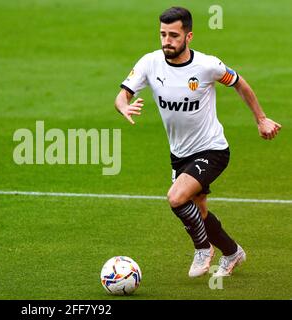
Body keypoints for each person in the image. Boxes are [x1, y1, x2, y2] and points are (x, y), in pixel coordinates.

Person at [114, 7, 281, 277]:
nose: (167, 41)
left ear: (188, 36)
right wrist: (123, 107)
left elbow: (239, 83)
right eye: (162, 34)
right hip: (179, 154)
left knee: (176, 198)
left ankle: (203, 249)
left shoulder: (206, 66)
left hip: (212, 149)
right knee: (199, 212)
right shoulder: (149, 63)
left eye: (174, 35)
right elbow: (122, 95)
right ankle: (232, 252)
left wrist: (261, 119)